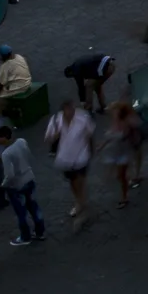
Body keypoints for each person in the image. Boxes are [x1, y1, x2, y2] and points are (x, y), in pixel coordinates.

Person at [44, 97, 97, 226]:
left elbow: (90, 134)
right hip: (65, 159)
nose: (72, 111)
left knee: (80, 182)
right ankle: (79, 202)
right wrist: (55, 135)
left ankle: (82, 208)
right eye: (68, 109)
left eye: (73, 108)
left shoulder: (83, 118)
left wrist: (91, 150)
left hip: (81, 157)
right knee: (73, 183)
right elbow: (47, 139)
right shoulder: (56, 121)